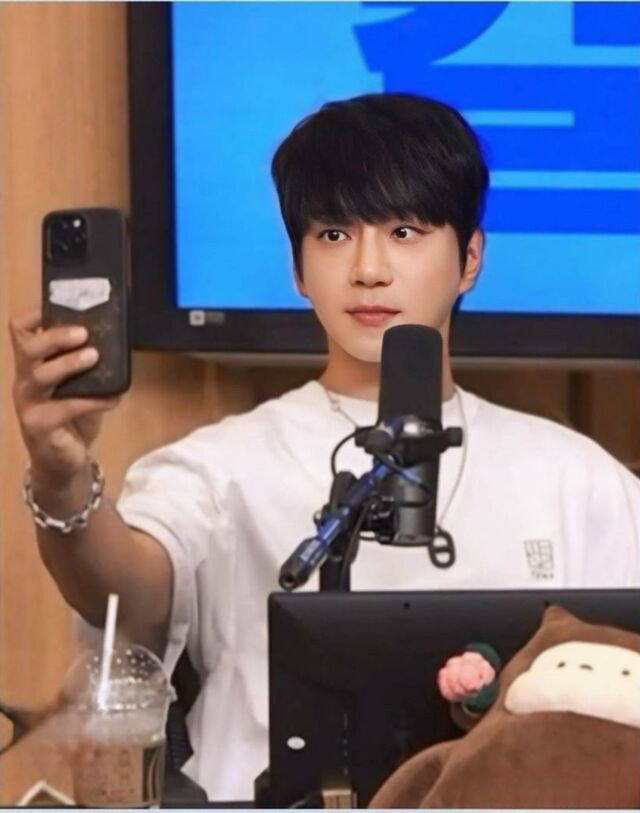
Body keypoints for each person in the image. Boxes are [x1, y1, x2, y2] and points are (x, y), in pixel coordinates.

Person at [9, 93, 640, 800]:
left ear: (469, 258)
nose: (369, 268)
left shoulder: (577, 478)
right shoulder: (220, 467)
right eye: (335, 234)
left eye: (404, 231)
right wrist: (61, 475)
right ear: (298, 268)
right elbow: (126, 594)